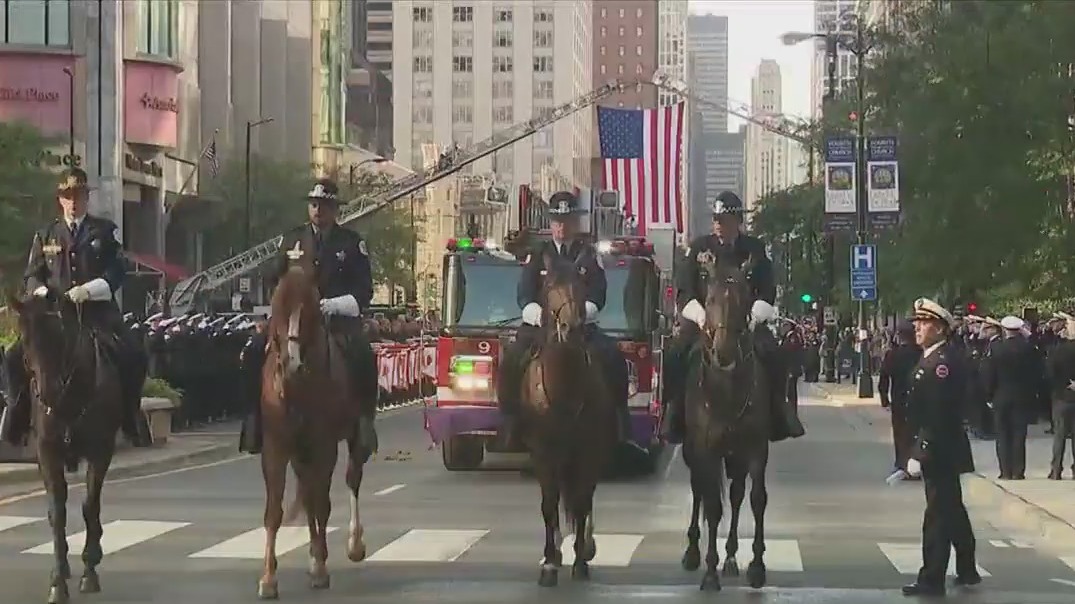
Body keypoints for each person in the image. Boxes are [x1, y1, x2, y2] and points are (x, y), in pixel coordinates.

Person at [0, 168, 151, 447]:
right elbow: (32, 275)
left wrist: (88, 290)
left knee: (134, 352)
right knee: (13, 357)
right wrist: (44, 291)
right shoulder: (46, 234)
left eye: (78, 195)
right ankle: (18, 419)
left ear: (86, 198)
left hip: (96, 314)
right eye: (67, 196)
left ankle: (130, 416)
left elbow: (117, 271)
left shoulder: (104, 231)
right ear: (60, 199)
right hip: (54, 315)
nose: (73, 201)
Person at [238, 178, 379, 459]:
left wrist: (333, 305)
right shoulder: (292, 240)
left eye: (324, 206)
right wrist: (275, 311)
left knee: (363, 355)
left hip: (335, 319)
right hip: (292, 320)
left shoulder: (351, 243)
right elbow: (273, 280)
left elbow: (364, 290)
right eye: (314, 205)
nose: (318, 211)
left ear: (335, 210)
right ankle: (253, 419)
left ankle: (364, 423)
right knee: (253, 350)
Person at [496, 190, 638, 452]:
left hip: (581, 325)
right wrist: (538, 313)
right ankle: (511, 421)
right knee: (512, 359)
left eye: (567, 220)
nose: (562, 226)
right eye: (557, 221)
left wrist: (581, 312)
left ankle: (619, 421)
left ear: (575, 223)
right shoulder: (539, 254)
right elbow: (525, 293)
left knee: (613, 357)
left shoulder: (587, 254)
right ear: (551, 224)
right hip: (542, 326)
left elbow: (598, 292)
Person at [660, 190, 805, 444]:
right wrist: (701, 316)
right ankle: (674, 411)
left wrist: (754, 316)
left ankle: (779, 409)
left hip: (744, 323)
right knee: (676, 354)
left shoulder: (754, 249)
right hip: (703, 322)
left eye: (723, 220)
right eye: (715, 219)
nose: (718, 224)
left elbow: (768, 289)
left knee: (774, 354)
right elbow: (684, 290)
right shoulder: (699, 248)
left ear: (737, 221)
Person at [901, 298, 979, 597]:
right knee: (951, 509)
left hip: (940, 449)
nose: (918, 328)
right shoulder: (933, 358)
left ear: (941, 329)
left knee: (937, 515)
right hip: (944, 446)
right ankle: (967, 568)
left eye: (925, 323)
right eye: (917, 322)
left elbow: (938, 413)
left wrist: (920, 451)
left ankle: (931, 579)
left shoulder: (941, 364)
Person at [981, 315, 1038, 480]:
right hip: (1022, 397)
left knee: (1003, 435)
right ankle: (1018, 471)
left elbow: (988, 373)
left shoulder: (996, 348)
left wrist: (989, 394)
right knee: (1019, 435)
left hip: (1001, 396)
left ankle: (1005, 471)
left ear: (1005, 330)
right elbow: (1036, 372)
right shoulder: (1027, 348)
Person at [878, 321, 921, 476]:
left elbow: (884, 377)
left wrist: (884, 398)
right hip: (918, 398)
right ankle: (917, 463)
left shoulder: (893, 354)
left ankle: (902, 463)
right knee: (917, 431)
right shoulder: (921, 352)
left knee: (900, 432)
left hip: (899, 398)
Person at [1046, 312, 1075, 479]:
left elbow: (1050, 373)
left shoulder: (1057, 350)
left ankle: (1056, 469)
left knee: (1060, 436)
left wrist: (1065, 384)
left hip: (1061, 396)